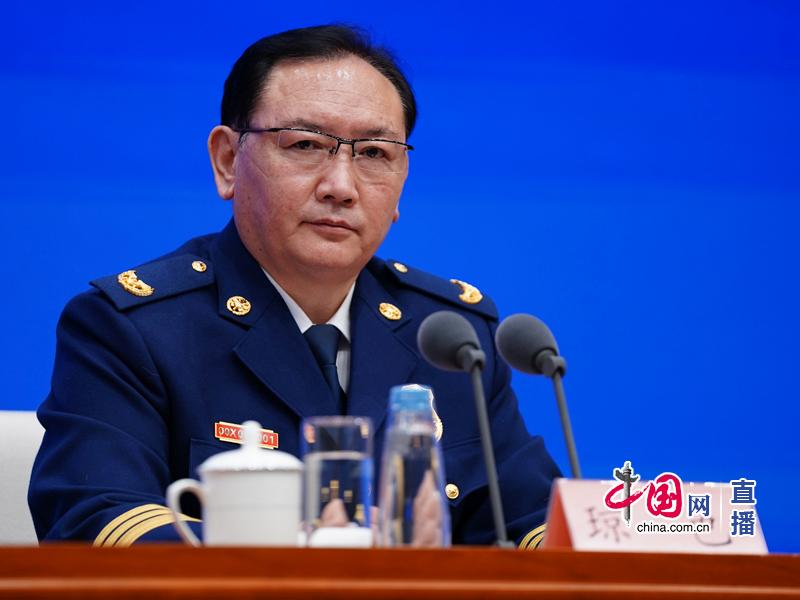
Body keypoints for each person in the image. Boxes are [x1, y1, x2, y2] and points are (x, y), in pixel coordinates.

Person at [29, 24, 560, 549]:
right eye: (306, 144)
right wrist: (310, 554)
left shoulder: (450, 340)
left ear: (402, 182)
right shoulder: (136, 330)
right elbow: (97, 520)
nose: (341, 187)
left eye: (374, 153)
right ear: (228, 161)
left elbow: (537, 525)